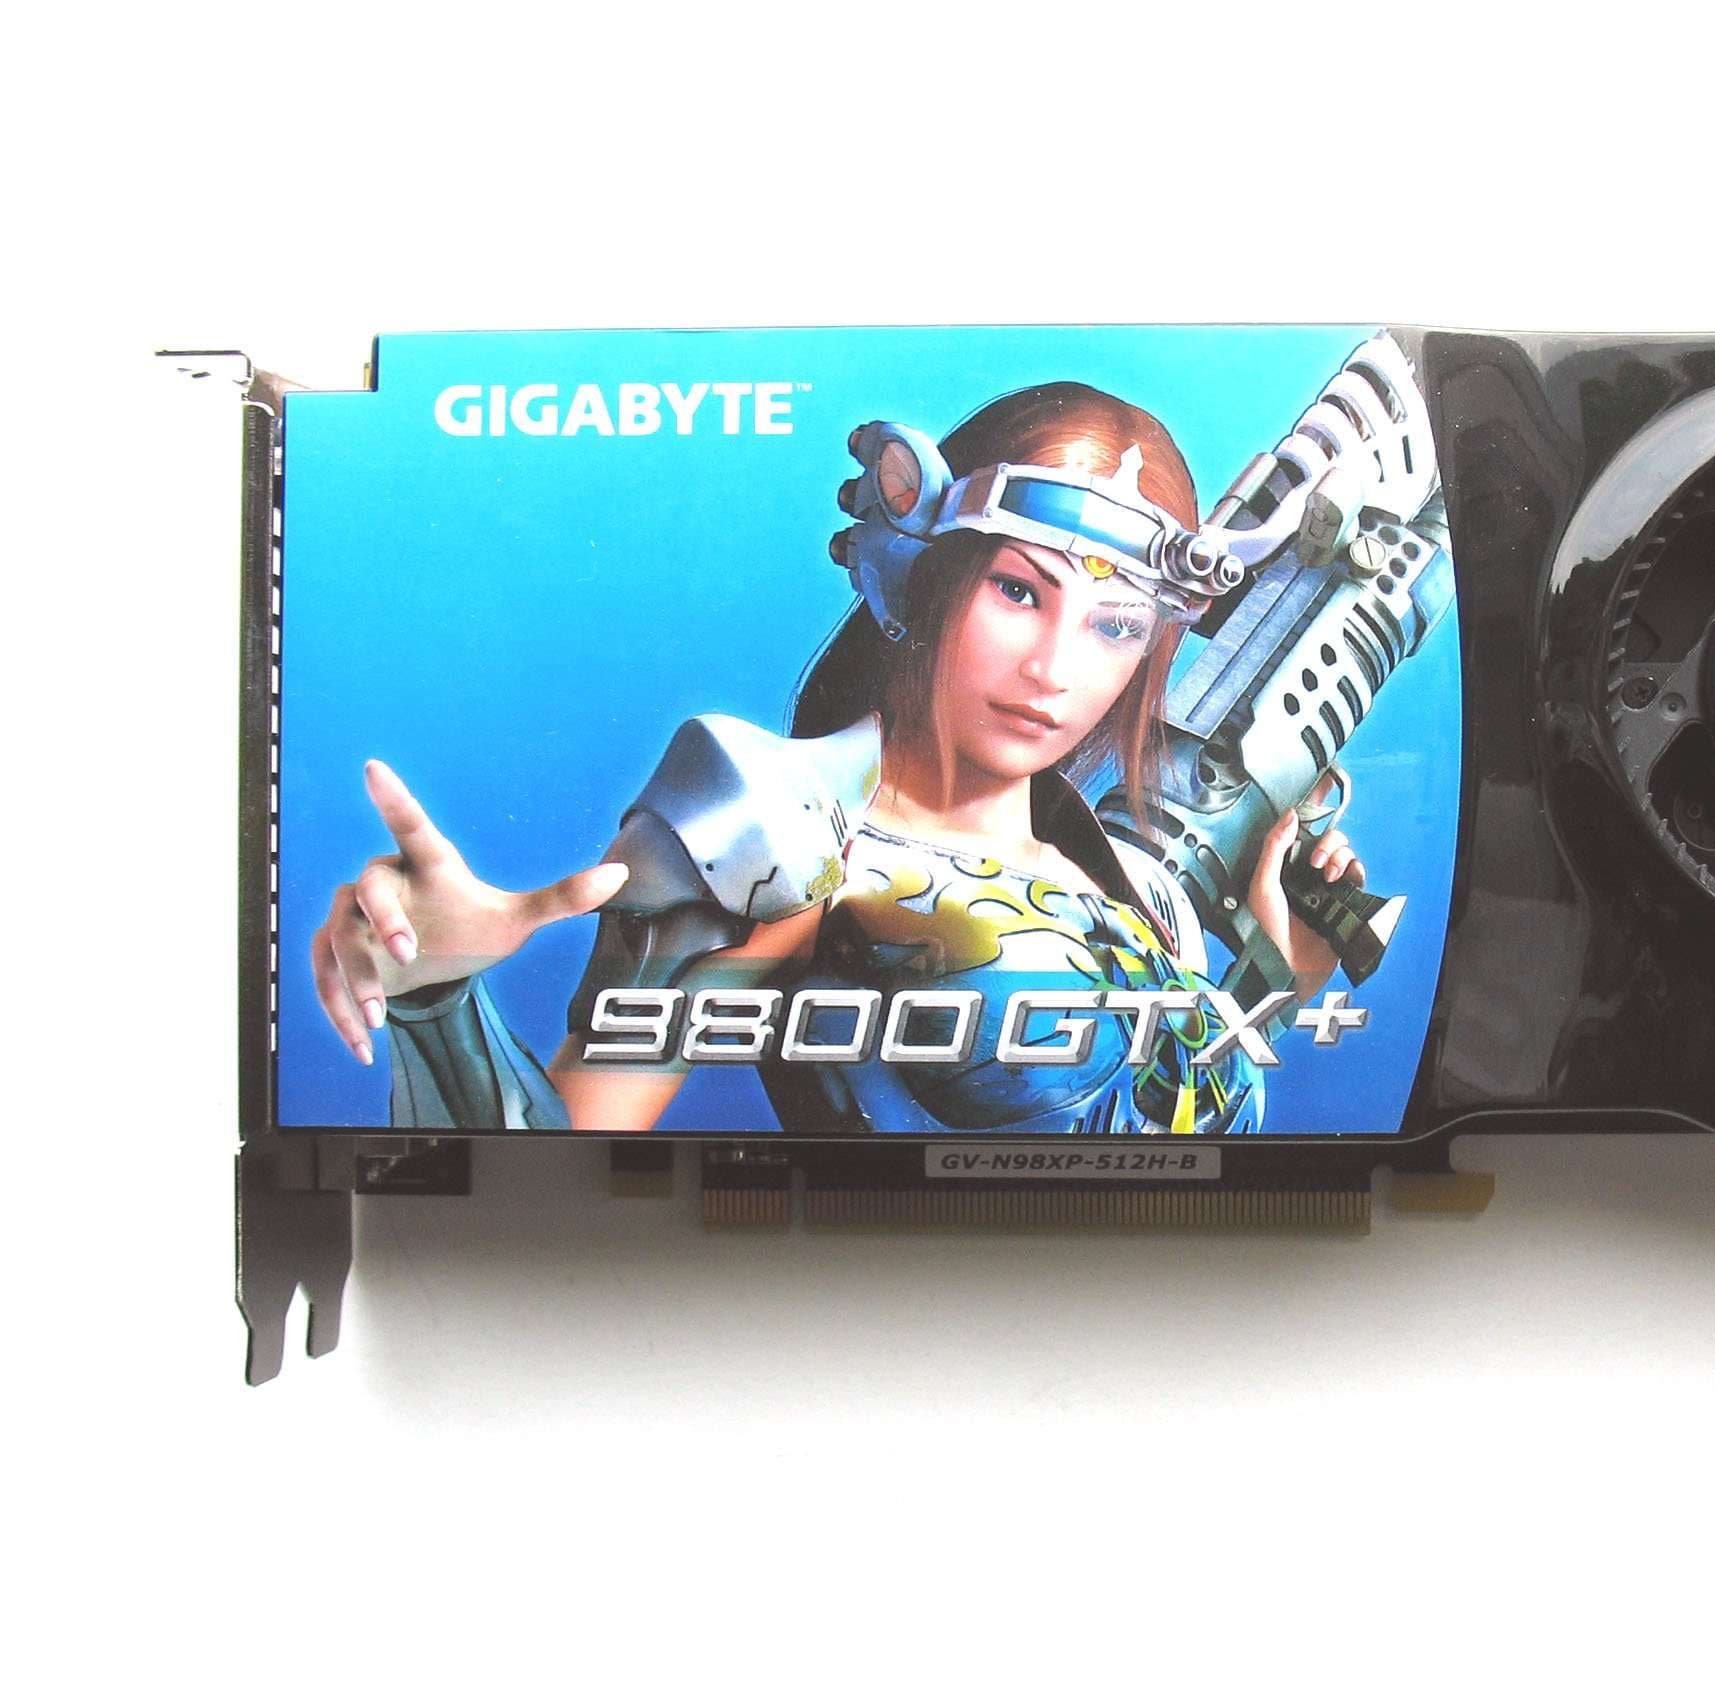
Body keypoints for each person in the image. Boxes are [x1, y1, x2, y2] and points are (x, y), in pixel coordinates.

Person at [307, 381, 1368, 1134]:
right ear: (924, 574)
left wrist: (1288, 969)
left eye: (1115, 625)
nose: (1055, 667)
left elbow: (1167, 1115)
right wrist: (434, 1002)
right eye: (1018, 590)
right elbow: (553, 1164)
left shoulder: (1137, 892)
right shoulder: (780, 833)